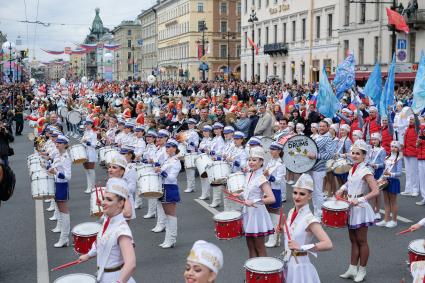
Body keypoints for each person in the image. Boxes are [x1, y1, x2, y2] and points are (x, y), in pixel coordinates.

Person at [336, 140, 380, 282]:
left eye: (357, 154)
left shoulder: (366, 170)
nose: (354, 155)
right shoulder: (353, 168)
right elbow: (350, 182)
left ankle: (362, 270)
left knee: (361, 240)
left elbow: (376, 191)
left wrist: (360, 200)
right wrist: (342, 189)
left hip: (360, 208)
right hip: (351, 206)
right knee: (353, 240)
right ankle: (352, 268)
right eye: (353, 153)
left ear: (364, 155)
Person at [79, 177, 136, 283]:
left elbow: (131, 264)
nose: (103, 202)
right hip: (103, 276)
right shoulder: (107, 220)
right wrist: (88, 255)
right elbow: (101, 241)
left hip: (115, 278)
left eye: (109, 200)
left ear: (120, 203)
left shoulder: (122, 230)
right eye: (104, 198)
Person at [283, 173, 333, 283]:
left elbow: (328, 244)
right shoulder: (291, 212)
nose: (297, 197)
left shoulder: (310, 220)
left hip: (300, 266)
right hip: (288, 262)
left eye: (302, 194)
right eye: (295, 193)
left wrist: (301, 247)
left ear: (309, 196)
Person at [241, 146, 276, 258]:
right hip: (247, 212)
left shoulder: (261, 177)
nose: (251, 162)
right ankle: (252, 273)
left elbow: (271, 198)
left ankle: (264, 272)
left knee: (259, 247)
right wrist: (240, 194)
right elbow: (249, 192)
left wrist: (254, 201)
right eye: (250, 159)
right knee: (250, 246)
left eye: (254, 160)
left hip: (257, 214)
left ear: (261, 161)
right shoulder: (249, 174)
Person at [155, 138, 181, 248]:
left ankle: (172, 239)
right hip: (164, 186)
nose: (167, 148)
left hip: (170, 187)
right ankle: (168, 239)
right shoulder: (167, 160)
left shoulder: (176, 162)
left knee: (171, 215)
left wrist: (161, 171)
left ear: (175, 148)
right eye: (166, 146)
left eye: (169, 147)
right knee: (167, 215)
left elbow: (172, 178)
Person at [306, 120, 336, 218]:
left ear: (328, 128)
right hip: (311, 168)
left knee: (318, 193)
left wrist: (316, 155)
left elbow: (330, 155)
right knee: (313, 192)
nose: (321, 128)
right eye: (320, 126)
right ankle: (317, 212)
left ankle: (319, 214)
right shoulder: (317, 137)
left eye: (323, 126)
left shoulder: (328, 139)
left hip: (319, 169)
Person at [48, 134, 72, 248]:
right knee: (60, 211)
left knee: (64, 212)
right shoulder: (58, 154)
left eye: (60, 143)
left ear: (65, 145)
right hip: (56, 183)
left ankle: (64, 238)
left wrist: (56, 173)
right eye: (57, 142)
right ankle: (64, 238)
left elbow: (68, 176)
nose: (57, 144)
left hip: (62, 185)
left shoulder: (66, 157)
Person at [376, 141, 403, 228]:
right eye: (392, 146)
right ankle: (386, 219)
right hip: (385, 180)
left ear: (398, 149)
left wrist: (391, 174)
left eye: (395, 147)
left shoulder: (399, 159)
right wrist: (379, 179)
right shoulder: (387, 157)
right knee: (386, 201)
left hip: (393, 181)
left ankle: (394, 220)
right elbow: (384, 170)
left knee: (393, 201)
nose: (393, 148)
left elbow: (399, 173)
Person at [264, 142, 286, 248]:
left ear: (279, 151)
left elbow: (278, 181)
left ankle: (274, 238)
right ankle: (274, 237)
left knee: (274, 214)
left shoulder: (281, 164)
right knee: (269, 214)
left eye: (273, 149)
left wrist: (269, 176)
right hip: (268, 189)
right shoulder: (271, 161)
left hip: (275, 190)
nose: (271, 151)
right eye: (270, 149)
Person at [366, 133, 386, 220]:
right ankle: (372, 210)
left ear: (379, 140)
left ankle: (377, 211)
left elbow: (383, 164)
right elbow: (367, 159)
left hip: (378, 172)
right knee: (371, 192)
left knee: (377, 193)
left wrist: (376, 165)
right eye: (372, 139)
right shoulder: (370, 149)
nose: (373, 141)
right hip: (370, 171)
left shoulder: (382, 150)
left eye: (375, 139)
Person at [401, 115, 419, 197]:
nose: (411, 121)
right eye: (410, 119)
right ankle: (408, 189)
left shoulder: (417, 129)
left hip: (413, 153)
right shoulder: (407, 128)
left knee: (414, 172)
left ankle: (415, 190)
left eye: (412, 119)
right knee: (408, 173)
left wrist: (415, 114)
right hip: (406, 153)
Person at [81, 118, 98, 194]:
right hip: (85, 152)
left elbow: (95, 144)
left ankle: (93, 186)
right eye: (86, 124)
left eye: (88, 124)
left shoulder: (93, 133)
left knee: (91, 170)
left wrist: (88, 142)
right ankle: (89, 186)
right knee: (86, 170)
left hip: (91, 152)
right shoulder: (85, 132)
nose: (86, 125)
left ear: (91, 125)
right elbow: (82, 141)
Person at [184, 118, 200, 193]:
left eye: (191, 123)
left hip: (192, 152)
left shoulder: (195, 133)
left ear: (194, 125)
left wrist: (189, 143)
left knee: (190, 170)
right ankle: (190, 186)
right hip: (186, 152)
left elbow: (196, 144)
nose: (189, 125)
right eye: (188, 123)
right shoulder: (186, 132)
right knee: (187, 170)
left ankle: (191, 187)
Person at [198, 125, 213, 200]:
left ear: (210, 132)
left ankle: (206, 194)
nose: (204, 132)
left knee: (206, 177)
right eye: (203, 131)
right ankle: (204, 193)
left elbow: (211, 151)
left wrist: (207, 150)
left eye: (206, 131)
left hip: (208, 159)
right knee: (202, 177)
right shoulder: (203, 139)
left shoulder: (211, 140)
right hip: (202, 159)